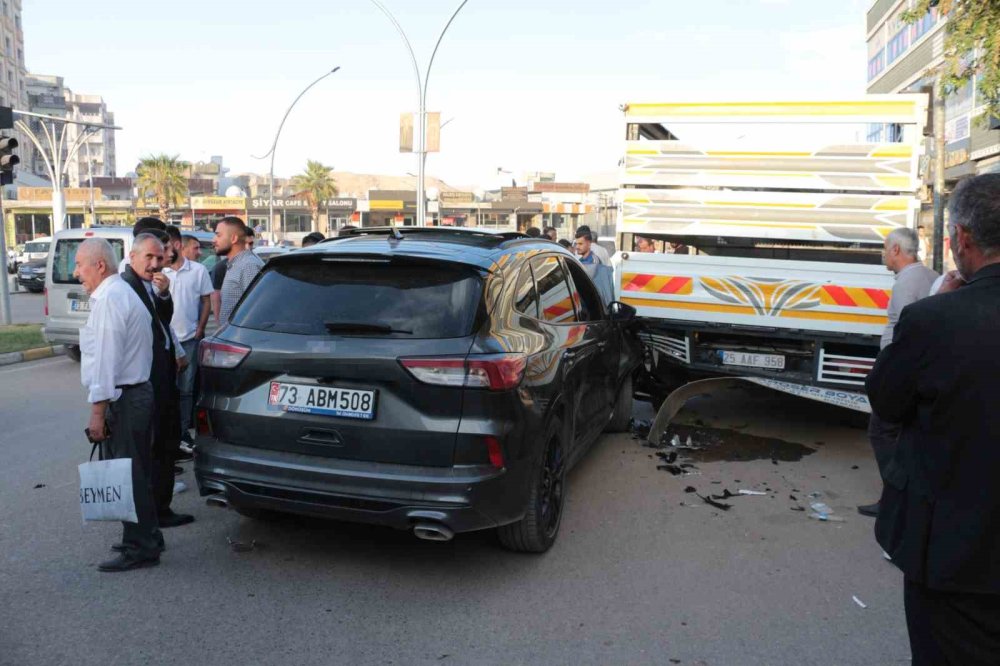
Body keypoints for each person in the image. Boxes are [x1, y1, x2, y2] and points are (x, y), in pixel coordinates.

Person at [866, 174, 1000, 665]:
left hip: (952, 554)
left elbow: (886, 400)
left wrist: (938, 306)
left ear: (962, 239)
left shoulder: (936, 319)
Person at [75, 238, 162, 572]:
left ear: (99, 265)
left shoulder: (112, 297)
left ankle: (140, 546)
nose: (76, 272)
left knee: (130, 473)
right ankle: (146, 537)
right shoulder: (119, 293)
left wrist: (97, 412)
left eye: (81, 264)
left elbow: (106, 362)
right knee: (135, 471)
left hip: (125, 397)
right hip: (133, 394)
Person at [857, 228, 939, 519]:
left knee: (880, 431)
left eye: (884, 249)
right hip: (920, 370)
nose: (883, 255)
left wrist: (891, 375)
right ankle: (903, 500)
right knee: (905, 439)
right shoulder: (929, 276)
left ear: (895, 251)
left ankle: (896, 501)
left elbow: (908, 334)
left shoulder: (907, 282)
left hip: (903, 372)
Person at [121, 233, 195, 528]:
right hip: (144, 380)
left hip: (164, 376)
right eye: (148, 258)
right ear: (133, 257)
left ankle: (161, 509)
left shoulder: (152, 285)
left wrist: (164, 295)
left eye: (158, 258)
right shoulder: (126, 288)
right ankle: (147, 517)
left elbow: (164, 323)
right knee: (151, 450)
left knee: (167, 443)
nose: (155, 264)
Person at [163, 228, 213, 451]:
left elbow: (206, 300)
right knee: (167, 388)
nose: (200, 252)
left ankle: (183, 433)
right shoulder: (160, 272)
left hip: (189, 339)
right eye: (196, 247)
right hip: (166, 342)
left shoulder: (198, 270)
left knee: (186, 389)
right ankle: (169, 432)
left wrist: (200, 328)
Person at [214, 216, 265, 326]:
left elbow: (257, 308)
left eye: (218, 235)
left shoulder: (248, 265)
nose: (214, 240)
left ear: (233, 239)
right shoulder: (235, 264)